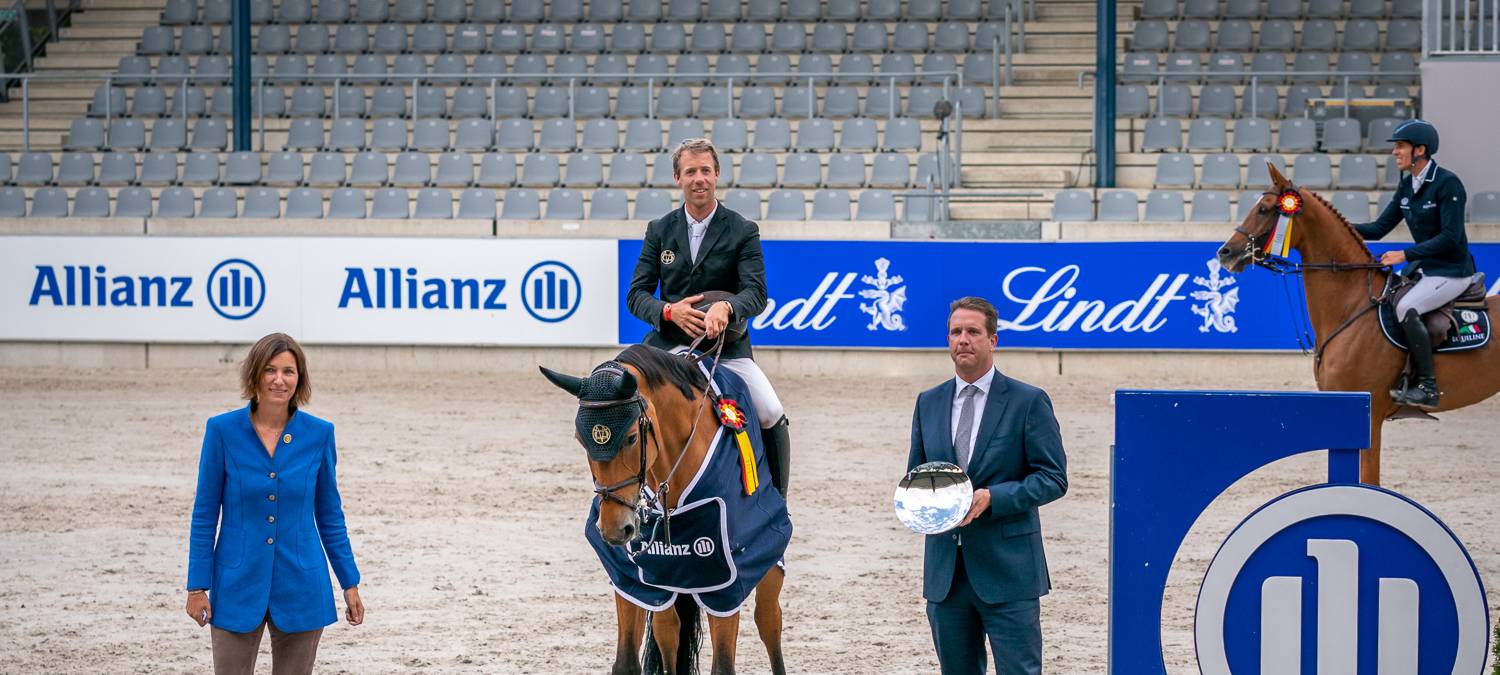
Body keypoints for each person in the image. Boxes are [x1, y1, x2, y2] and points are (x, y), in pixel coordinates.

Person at [185, 332, 364, 674]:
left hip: (302, 582)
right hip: (236, 582)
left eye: (288, 371)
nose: (279, 380)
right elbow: (205, 515)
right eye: (270, 370)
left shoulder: (319, 434)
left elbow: (329, 515)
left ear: (300, 379)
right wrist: (197, 586)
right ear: (255, 374)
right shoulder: (222, 431)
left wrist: (349, 582)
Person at [907, 297, 1068, 675]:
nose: (963, 339)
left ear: (993, 340)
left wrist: (993, 498)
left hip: (1009, 573)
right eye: (955, 332)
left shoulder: (1028, 402)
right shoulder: (928, 402)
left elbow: (1053, 478)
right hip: (946, 576)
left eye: (973, 332)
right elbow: (918, 476)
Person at [625, 137, 793, 498]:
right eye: (690, 172)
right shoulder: (659, 230)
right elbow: (636, 296)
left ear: (717, 174)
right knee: (623, 404)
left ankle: (777, 502)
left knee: (769, 411)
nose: (698, 178)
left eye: (705, 170)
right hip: (668, 343)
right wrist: (669, 310)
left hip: (726, 347)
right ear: (677, 178)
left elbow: (757, 293)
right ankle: (626, 498)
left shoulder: (743, 230)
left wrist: (727, 307)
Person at [1353, 119, 1477, 408]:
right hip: (1424, 269)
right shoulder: (1407, 183)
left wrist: (1405, 255)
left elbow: (1451, 237)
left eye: (1400, 146)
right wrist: (1334, 225)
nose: (1395, 152)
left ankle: (1428, 386)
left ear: (1420, 150)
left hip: (1451, 270)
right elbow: (1379, 227)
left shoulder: (1448, 184)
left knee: (1407, 307)